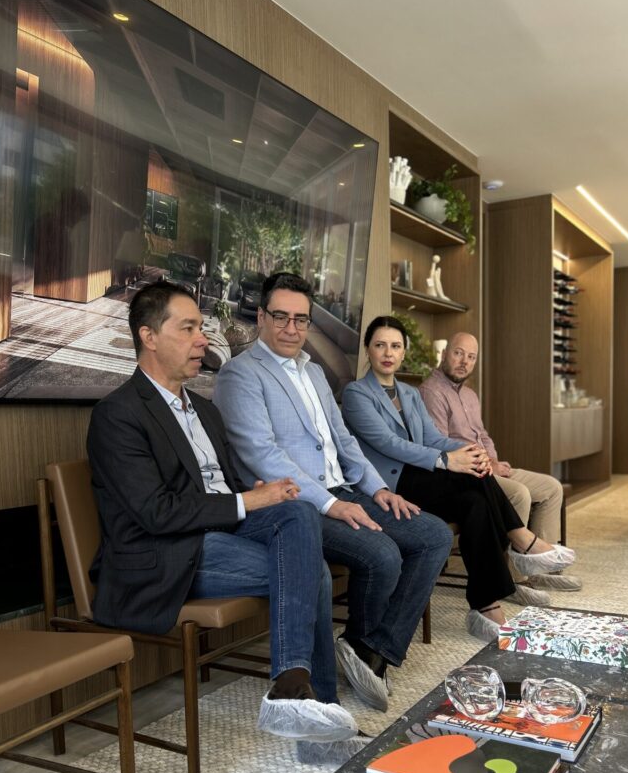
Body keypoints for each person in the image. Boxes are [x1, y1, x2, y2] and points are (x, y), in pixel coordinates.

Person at [87, 282, 359, 750]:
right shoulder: (118, 415)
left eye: (201, 328)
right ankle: (311, 710)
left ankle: (296, 694)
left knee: (297, 514)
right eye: (188, 328)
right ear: (149, 337)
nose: (203, 340)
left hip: (221, 533)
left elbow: (224, 487)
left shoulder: (205, 410)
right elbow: (156, 513)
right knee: (310, 571)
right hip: (165, 554)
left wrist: (260, 494)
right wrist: (248, 502)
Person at [214, 273, 453, 713]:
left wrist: (377, 489)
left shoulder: (315, 373)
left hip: (344, 489)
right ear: (261, 317)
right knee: (382, 554)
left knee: (434, 535)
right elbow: (263, 455)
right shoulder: (240, 374)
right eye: (281, 317)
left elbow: (343, 440)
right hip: (296, 505)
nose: (291, 328)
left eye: (301, 319)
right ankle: (362, 651)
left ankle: (370, 649)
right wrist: (332, 504)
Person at [341, 316, 576, 640]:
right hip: (392, 484)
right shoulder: (356, 393)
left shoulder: (409, 394)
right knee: (471, 478)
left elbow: (433, 438)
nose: (388, 353)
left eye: (395, 346)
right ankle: (521, 540)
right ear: (368, 349)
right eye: (380, 345)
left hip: (423, 476)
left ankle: (485, 604)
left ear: (404, 352)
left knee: (475, 502)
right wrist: (446, 460)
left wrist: (469, 451)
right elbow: (388, 444)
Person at [419, 331, 581, 592]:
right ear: (445, 354)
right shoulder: (431, 391)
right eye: (458, 353)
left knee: (551, 488)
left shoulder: (470, 395)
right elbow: (440, 443)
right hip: (465, 472)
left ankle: (540, 569)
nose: (464, 361)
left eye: (471, 357)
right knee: (519, 493)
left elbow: (482, 435)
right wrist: (487, 464)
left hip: (488, 465)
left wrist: (493, 460)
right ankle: (517, 580)